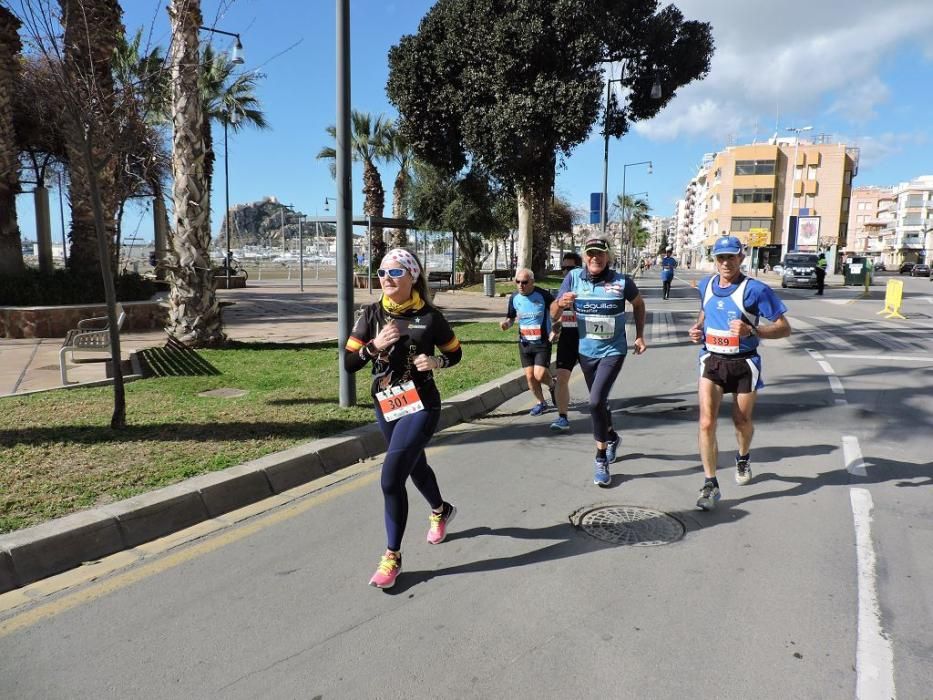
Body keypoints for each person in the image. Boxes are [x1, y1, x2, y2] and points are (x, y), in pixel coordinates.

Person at [345, 248, 463, 589]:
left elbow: (455, 354)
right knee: (415, 466)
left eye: (394, 273)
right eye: (381, 272)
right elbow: (349, 363)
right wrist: (372, 347)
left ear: (413, 276)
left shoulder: (430, 318)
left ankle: (392, 556)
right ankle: (441, 510)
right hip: (386, 405)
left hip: (423, 404)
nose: (386, 279)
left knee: (390, 478)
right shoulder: (370, 315)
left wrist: (437, 363)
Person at [687, 235, 792, 510]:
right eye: (720, 257)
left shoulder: (755, 290)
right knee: (706, 422)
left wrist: (753, 330)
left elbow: (785, 327)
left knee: (741, 422)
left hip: (745, 363)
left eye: (731, 257)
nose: (725, 263)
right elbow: (705, 312)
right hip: (711, 360)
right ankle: (710, 484)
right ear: (715, 259)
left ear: (741, 258)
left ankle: (743, 457)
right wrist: (698, 329)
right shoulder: (705, 284)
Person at [551, 234, 647, 486]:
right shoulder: (572, 278)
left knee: (594, 401)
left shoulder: (621, 281)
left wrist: (639, 336)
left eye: (600, 254)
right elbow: (553, 312)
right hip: (586, 351)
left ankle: (600, 458)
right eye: (590, 253)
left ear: (608, 257)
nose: (595, 258)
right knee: (600, 402)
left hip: (613, 351)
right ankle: (612, 436)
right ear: (584, 257)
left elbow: (638, 304)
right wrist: (561, 303)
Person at [501, 268, 556, 416]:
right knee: (530, 376)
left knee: (539, 375)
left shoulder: (543, 295)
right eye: (517, 282)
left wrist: (555, 330)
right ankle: (541, 403)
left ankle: (552, 385)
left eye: (524, 282)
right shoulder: (514, 297)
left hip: (542, 342)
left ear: (532, 282)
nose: (520, 285)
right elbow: (511, 318)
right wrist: (506, 324)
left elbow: (557, 312)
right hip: (524, 343)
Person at [549, 252, 583, 432]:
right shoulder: (564, 287)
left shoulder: (587, 284)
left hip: (587, 339)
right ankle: (562, 418)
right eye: (564, 268)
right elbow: (555, 312)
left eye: (570, 268)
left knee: (594, 381)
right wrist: (557, 327)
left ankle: (602, 415)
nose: (566, 272)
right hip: (568, 337)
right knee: (561, 377)